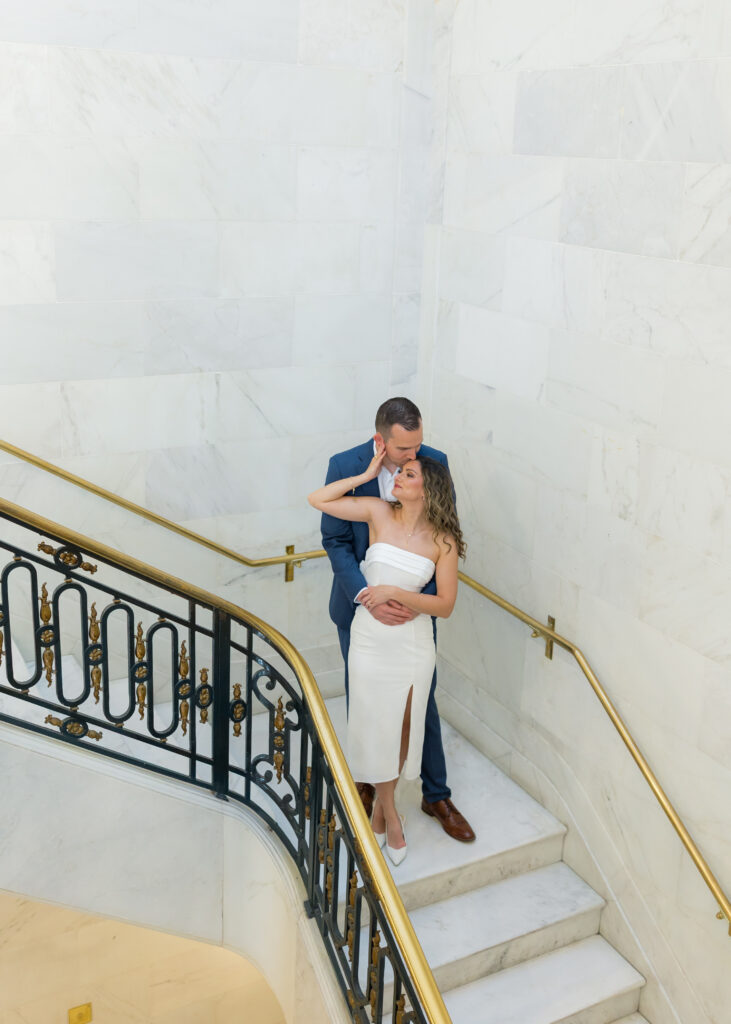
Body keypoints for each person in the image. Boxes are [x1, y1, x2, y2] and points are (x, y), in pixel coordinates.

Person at [314, 397, 475, 848]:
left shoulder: (434, 465)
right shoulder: (346, 465)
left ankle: (435, 794)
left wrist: (409, 602)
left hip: (413, 615)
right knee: (364, 699)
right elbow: (334, 541)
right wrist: (368, 599)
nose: (414, 456)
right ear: (380, 440)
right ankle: (369, 786)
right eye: (405, 450)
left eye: (418, 446)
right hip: (359, 609)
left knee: (420, 702)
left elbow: (443, 534)